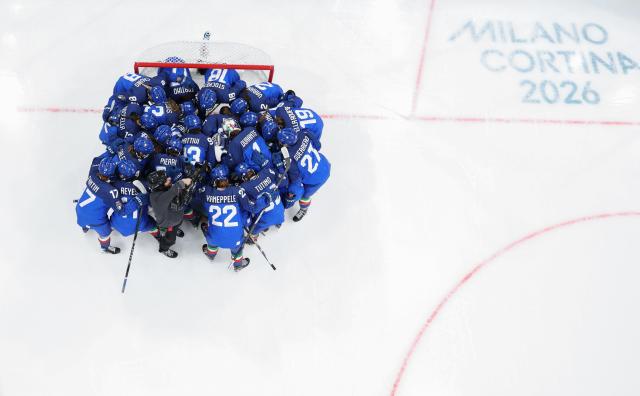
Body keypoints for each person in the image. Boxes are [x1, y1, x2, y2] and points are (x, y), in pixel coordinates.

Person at [196, 165, 266, 271]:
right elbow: (250, 208)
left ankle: (211, 254)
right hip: (235, 239)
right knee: (237, 248)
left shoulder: (207, 192)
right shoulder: (237, 191)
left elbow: (199, 198)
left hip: (214, 237)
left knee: (212, 239)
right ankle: (237, 266)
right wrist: (265, 200)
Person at [277, 127, 331, 222]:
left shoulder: (289, 157)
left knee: (304, 195)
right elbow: (318, 146)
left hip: (316, 179)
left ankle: (303, 210)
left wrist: (291, 193)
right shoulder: (303, 133)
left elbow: (296, 180)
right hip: (324, 164)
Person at [75, 156, 122, 254]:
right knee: (106, 233)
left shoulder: (92, 176)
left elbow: (95, 160)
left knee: (84, 219)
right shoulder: (111, 191)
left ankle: (85, 227)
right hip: (96, 220)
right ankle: (105, 248)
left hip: (80, 208)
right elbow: (119, 208)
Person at [147, 171, 193, 258]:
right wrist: (182, 182)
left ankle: (176, 229)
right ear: (159, 185)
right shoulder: (157, 197)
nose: (169, 179)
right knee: (170, 240)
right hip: (167, 224)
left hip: (176, 217)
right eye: (166, 180)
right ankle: (164, 249)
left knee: (178, 224)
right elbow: (174, 190)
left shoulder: (165, 189)